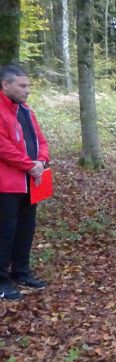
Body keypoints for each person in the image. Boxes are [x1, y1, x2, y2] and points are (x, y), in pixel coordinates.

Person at [0, 64, 50, 300]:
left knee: (25, 229)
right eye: (22, 85)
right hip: (6, 184)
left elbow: (40, 140)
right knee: (5, 231)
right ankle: (2, 279)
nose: (27, 90)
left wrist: (41, 160)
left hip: (31, 183)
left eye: (28, 85)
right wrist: (29, 165)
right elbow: (4, 147)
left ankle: (21, 270)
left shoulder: (27, 111)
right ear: (5, 85)